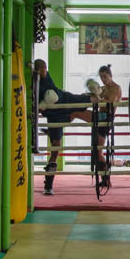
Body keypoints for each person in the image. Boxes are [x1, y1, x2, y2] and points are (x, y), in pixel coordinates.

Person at [34, 59, 100, 195]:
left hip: (65, 101)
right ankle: (48, 185)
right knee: (55, 150)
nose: (43, 72)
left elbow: (50, 97)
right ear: (37, 70)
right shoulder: (33, 82)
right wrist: (41, 108)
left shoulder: (46, 78)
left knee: (92, 101)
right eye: (41, 70)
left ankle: (96, 95)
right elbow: (37, 106)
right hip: (54, 117)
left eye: (44, 69)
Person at [96, 64, 123, 187]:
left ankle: (107, 179)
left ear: (110, 76)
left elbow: (109, 104)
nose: (103, 79)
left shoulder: (116, 88)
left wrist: (97, 98)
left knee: (98, 150)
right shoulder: (103, 88)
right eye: (101, 77)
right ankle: (105, 179)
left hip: (106, 120)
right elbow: (96, 99)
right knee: (96, 150)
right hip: (99, 119)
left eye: (105, 77)